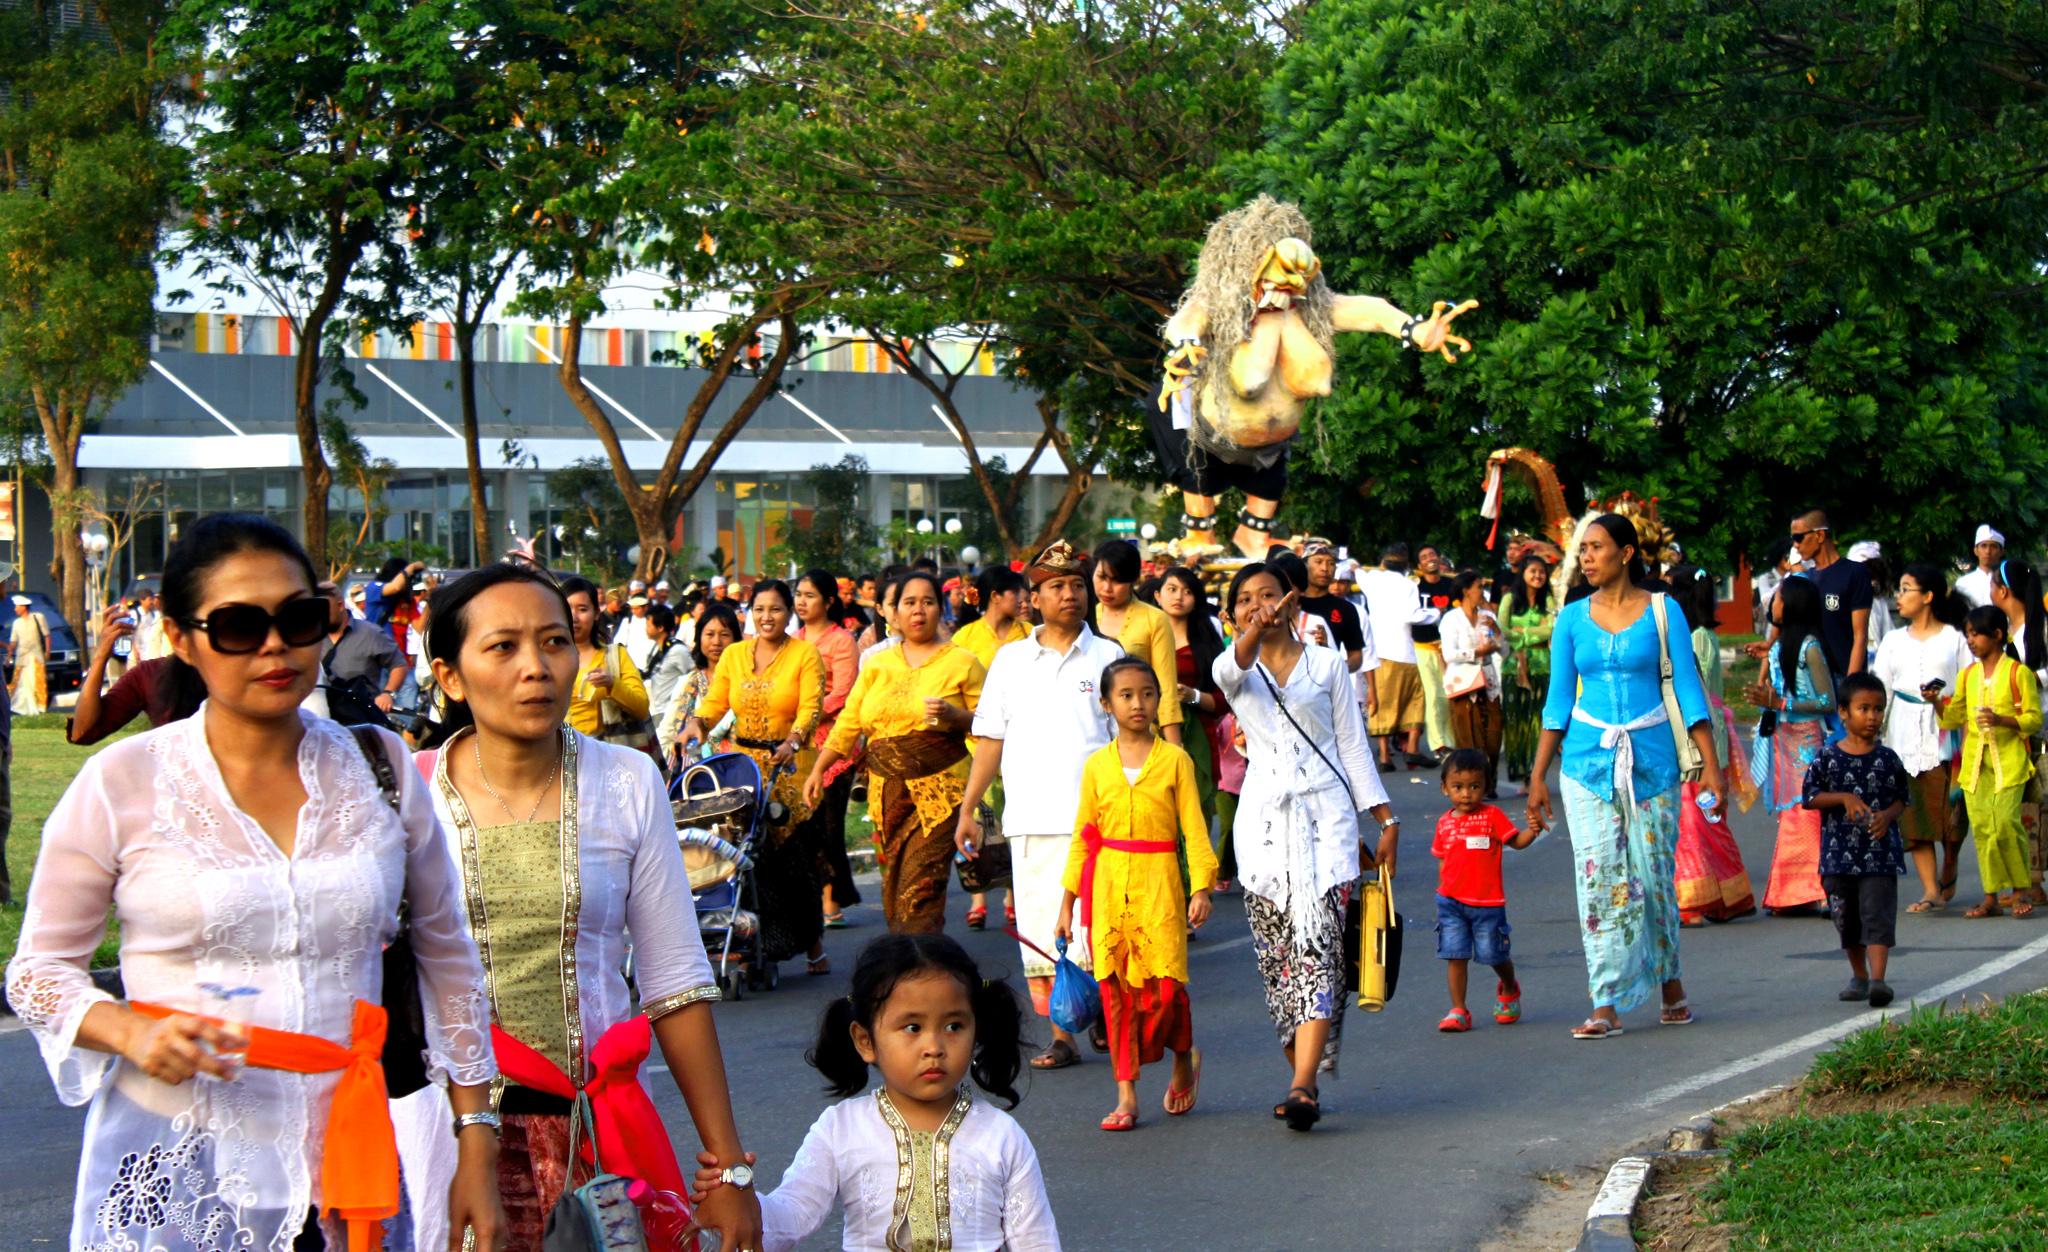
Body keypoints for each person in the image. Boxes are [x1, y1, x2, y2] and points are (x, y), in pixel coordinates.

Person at [3, 514, 506, 1252]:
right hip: (179, 1163)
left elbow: (449, 959)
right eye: (238, 625)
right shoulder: (123, 780)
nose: (275, 645)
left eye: (298, 619)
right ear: (181, 638)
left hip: (348, 1166)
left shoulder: (381, 768)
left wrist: (476, 1146)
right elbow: (37, 972)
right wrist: (129, 1030)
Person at [405, 564, 761, 1252]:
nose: (536, 667)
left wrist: (731, 1167)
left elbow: (675, 979)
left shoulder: (625, 781)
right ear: (449, 676)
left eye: (554, 641)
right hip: (447, 1140)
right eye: (503, 647)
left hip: (595, 1136)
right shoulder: (410, 796)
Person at [692, 933, 1057, 1252]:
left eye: (954, 1025)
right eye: (912, 1027)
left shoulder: (1001, 1136)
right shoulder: (841, 1129)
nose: (934, 1046)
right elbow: (790, 1219)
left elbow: (1036, 1241)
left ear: (976, 1030)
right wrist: (738, 1197)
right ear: (865, 1041)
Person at [1526, 513, 1728, 1040]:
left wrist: (1712, 768)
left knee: (1653, 873)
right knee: (1599, 880)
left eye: (1595, 547)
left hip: (1654, 761)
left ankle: (1670, 983)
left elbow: (1688, 688)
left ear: (1627, 552)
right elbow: (1556, 702)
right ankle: (1606, 1001)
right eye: (1583, 550)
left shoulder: (1665, 611)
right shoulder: (1571, 619)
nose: (1586, 557)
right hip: (1585, 763)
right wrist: (1538, 775)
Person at [1213, 559, 1398, 1129]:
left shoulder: (1326, 666)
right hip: (1263, 827)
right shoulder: (1235, 669)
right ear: (1232, 613)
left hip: (1328, 821)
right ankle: (1308, 1071)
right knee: (1278, 965)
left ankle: (1301, 1085)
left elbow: (1352, 744)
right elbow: (1228, 668)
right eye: (1245, 599)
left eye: (1268, 594)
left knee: (1319, 948)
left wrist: (1385, 819)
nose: (1258, 605)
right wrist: (1250, 630)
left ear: (1293, 601)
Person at [956, 540, 1125, 1069]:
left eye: (1077, 585)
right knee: (1043, 928)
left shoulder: (1109, 656)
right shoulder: (1010, 660)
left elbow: (1129, 740)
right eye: (1056, 586)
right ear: (1033, 597)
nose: (1070, 594)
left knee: (1100, 928)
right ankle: (1063, 1034)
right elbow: (990, 739)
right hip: (1030, 819)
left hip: (1097, 821)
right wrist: (968, 808)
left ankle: (1101, 1018)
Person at [1055, 657, 1216, 1131]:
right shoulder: (1097, 766)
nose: (1138, 703)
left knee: (1166, 991)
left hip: (1160, 884)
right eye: (1125, 695)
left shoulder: (1176, 760)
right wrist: (1067, 904)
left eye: (1147, 693)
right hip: (1106, 892)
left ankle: (1183, 1055)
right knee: (1118, 996)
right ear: (1106, 705)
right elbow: (1083, 836)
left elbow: (1194, 828)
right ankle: (1126, 1095)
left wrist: (1201, 886)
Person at [808, 571, 983, 934]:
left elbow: (989, 726)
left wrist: (954, 716)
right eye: (909, 602)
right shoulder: (876, 665)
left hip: (942, 794)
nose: (919, 610)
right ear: (894, 613)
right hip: (886, 794)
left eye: (928, 602)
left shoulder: (963, 662)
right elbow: (848, 726)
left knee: (921, 887)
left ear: (940, 610)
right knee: (897, 888)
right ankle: (914, 969)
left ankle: (921, 971)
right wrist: (817, 771)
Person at [686, 580, 830, 973]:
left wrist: (795, 739)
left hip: (791, 769)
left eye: (777, 609)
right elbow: (716, 701)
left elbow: (811, 706)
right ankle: (759, 948)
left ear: (790, 613)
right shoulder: (734, 654)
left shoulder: (805, 653)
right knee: (752, 862)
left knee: (796, 865)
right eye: (760, 609)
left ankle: (813, 943)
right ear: (751, 612)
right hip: (745, 771)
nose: (767, 617)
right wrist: (697, 723)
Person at [1801, 672, 1908, 1007]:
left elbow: (1901, 799)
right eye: (1864, 709)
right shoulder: (1828, 757)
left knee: (1878, 914)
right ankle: (1858, 975)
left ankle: (1879, 980)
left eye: (1878, 709)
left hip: (1879, 855)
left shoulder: (1888, 759)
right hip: (1838, 855)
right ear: (1844, 713)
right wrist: (1844, 798)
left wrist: (1887, 817)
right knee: (1846, 916)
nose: (1872, 717)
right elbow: (1810, 796)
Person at [1873, 562, 1973, 911]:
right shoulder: (1892, 640)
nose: (1899, 597)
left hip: (1946, 732)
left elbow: (1968, 685)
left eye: (1906, 589)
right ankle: (1931, 889)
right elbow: (1881, 691)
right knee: (1914, 816)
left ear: (1928, 596)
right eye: (1898, 590)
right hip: (1903, 734)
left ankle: (1952, 859)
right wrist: (1874, 735)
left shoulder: (1955, 639)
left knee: (1951, 809)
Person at [1935, 606, 2041, 918]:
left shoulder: (2017, 672)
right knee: (1982, 828)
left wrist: (2001, 720)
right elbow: (1953, 718)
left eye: (1976, 633)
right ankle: (1991, 897)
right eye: (1967, 634)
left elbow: (2034, 719)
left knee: (2007, 824)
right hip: (1974, 765)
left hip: (2010, 762)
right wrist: (1934, 703)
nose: (1970, 640)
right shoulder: (1967, 676)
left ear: (1997, 635)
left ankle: (2021, 890)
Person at [1664, 562, 1755, 925]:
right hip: (1710, 729)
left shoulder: (1694, 638)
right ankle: (1729, 892)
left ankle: (1695, 899)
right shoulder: (1705, 634)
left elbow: (1690, 689)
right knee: (1709, 819)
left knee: (1696, 821)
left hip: (1698, 735)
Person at [1746, 576, 1835, 916]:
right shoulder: (1781, 646)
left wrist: (1780, 704)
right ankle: (1791, 893)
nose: (1772, 603)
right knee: (1791, 815)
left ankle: (1820, 890)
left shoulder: (1811, 647)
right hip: (1783, 740)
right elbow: (1775, 694)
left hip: (1806, 741)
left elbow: (1827, 701)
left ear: (1794, 603)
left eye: (1779, 598)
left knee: (1809, 813)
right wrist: (1765, 698)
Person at [1431, 747, 1537, 1032]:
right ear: (1445, 789)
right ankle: (1459, 1010)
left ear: (1486, 787)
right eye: (1458, 787)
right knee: (1455, 955)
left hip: (1487, 903)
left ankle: (1509, 987)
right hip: (1451, 902)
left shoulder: (1492, 816)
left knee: (1494, 955)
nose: (1466, 794)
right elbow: (1443, 861)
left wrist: (1533, 830)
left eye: (1475, 786)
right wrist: (1444, 892)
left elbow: (1515, 842)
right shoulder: (1444, 823)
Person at [948, 565, 1029, 930]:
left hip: (1021, 742)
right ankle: (978, 896)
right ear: (995, 597)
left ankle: (1013, 897)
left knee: (1014, 823)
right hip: (975, 743)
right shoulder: (963, 638)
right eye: (1017, 594)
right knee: (980, 822)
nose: (1024, 600)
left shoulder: (1029, 636)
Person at [793, 569, 864, 928]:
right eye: (798, 595)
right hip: (799, 745)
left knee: (831, 826)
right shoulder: (793, 641)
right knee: (805, 825)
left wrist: (807, 712)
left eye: (809, 595)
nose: (801, 601)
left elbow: (844, 694)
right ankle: (824, 899)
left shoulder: (842, 641)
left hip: (835, 744)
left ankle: (834, 897)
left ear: (829, 601)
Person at [1987, 559, 2048, 906]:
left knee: (2038, 806)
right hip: (2010, 730)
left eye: (1994, 585)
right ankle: (2030, 882)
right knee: (2024, 807)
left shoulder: (2041, 628)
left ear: (2004, 590)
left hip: (2040, 728)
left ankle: (2032, 882)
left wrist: (2029, 678)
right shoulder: (2004, 631)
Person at [1748, 510, 1869, 680]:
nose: (1795, 545)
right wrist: (1771, 644)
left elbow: (1860, 635)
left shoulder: (1854, 573)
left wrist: (1852, 685)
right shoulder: (1805, 579)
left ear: (1819, 535)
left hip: (1843, 674)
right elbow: (1788, 621)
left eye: (1798, 538)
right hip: (1812, 680)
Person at [1153, 565, 1229, 822]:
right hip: (1149, 736)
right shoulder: (1143, 638)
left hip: (1197, 739)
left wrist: (1192, 695)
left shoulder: (1207, 644)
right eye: (1171, 590)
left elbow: (1223, 701)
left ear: (1196, 599)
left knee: (1195, 821)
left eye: (1186, 592)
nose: (1178, 597)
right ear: (1157, 596)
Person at [1090, 539, 1183, 746]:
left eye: (1117, 581)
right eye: (1101, 577)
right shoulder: (1086, 619)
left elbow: (1166, 690)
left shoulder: (1154, 619)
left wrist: (1176, 752)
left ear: (1133, 581)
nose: (1107, 588)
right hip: (1092, 735)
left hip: (1140, 737)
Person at [1357, 543, 1435, 769]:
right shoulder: (1409, 584)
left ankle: (1384, 756)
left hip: (1380, 652)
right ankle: (1412, 748)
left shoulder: (1370, 578)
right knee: (1415, 699)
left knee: (1382, 701)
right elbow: (1412, 615)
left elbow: (1356, 570)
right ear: (1407, 565)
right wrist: (1434, 613)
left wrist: (1358, 568)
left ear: (1383, 562)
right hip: (1405, 652)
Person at [559, 575, 651, 744]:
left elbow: (641, 708)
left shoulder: (614, 656)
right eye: (567, 609)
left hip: (604, 753)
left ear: (596, 613)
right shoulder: (545, 658)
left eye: (582, 609)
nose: (574, 617)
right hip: (558, 754)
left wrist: (612, 684)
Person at [1438, 569, 1505, 799]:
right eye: (1478, 586)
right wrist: (1477, 652)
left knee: (1493, 736)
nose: (1481, 591)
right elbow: (1449, 654)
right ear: (1466, 591)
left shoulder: (1489, 616)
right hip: (1464, 684)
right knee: (1469, 737)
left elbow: (1505, 651)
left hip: (1488, 683)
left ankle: (1489, 782)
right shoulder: (1451, 619)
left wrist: (1497, 633)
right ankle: (1474, 787)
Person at [661, 599, 742, 760]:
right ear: (699, 637)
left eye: (725, 635)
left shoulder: (745, 683)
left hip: (739, 771)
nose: (716, 642)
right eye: (709, 634)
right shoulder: (688, 683)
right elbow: (667, 730)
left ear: (736, 640)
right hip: (693, 774)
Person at [1499, 555, 1556, 786]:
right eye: (1533, 571)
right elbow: (1502, 628)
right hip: (1514, 667)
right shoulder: (1509, 599)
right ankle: (1519, 774)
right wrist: (1534, 633)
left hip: (1543, 665)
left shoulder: (1549, 601)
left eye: (1542, 571)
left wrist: (1521, 631)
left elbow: (1553, 627)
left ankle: (1535, 777)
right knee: (1514, 720)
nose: (1538, 576)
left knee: (1538, 721)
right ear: (1523, 573)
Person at [324, 589, 410, 716]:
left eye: (324, 608)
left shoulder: (370, 633)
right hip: (322, 717)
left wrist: (388, 694)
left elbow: (399, 664)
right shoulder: (309, 637)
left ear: (340, 606)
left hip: (361, 716)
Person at [1413, 543, 1459, 757]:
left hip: (1452, 649)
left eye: (1432, 554)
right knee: (1433, 695)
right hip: (1424, 648)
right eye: (1424, 556)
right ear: (1419, 564)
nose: (1429, 558)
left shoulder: (1451, 584)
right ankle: (1439, 743)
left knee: (1452, 693)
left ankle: (1454, 739)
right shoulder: (1414, 587)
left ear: (1439, 559)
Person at [1297, 540, 1368, 673]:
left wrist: (1340, 668)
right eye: (1318, 562)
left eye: (1330, 563)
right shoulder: (1292, 604)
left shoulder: (1346, 609)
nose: (1325, 568)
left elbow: (1356, 656)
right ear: (1305, 565)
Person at [640, 603, 694, 743]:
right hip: (657, 710)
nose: (646, 628)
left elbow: (694, 675)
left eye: (648, 624)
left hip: (671, 712)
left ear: (660, 627)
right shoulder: (655, 648)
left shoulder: (678, 650)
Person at [7, 594, 47, 715]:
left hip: (36, 655)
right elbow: (13, 641)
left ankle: (40, 707)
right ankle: (17, 706)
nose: (15, 609)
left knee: (38, 680)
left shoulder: (38, 617)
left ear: (24, 607)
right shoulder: (16, 623)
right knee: (19, 680)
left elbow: (46, 635)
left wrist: (47, 651)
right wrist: (10, 653)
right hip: (22, 656)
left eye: (17, 607)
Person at [1956, 524, 2004, 608]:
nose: (1988, 551)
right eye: (1984, 546)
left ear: (2001, 552)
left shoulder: (2007, 581)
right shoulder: (1963, 583)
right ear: (1976, 551)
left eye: (1993, 547)